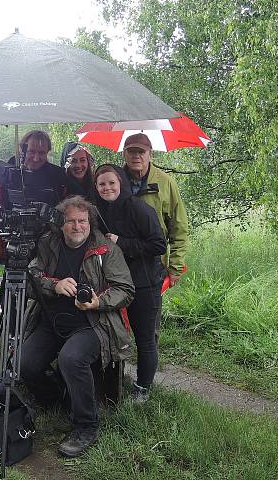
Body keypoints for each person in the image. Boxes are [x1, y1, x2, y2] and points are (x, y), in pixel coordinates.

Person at [21, 195, 135, 458]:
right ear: (61, 223)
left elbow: (126, 290)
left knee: (70, 359)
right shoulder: (48, 244)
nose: (76, 226)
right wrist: (54, 285)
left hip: (93, 324)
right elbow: (31, 278)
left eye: (82, 221)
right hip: (52, 322)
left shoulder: (106, 249)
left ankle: (86, 425)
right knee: (26, 362)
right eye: (70, 221)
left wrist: (98, 302)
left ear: (90, 222)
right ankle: (57, 399)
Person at [94, 164, 166, 403]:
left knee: (144, 338)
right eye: (102, 184)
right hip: (115, 285)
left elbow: (158, 245)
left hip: (144, 284)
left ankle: (143, 387)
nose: (107, 188)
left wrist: (121, 242)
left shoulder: (138, 208)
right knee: (114, 335)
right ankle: (113, 383)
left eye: (111, 183)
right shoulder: (99, 211)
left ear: (121, 183)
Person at [121, 133, 189, 287]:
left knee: (149, 309)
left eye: (141, 152)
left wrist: (175, 267)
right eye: (131, 152)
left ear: (150, 154)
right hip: (120, 262)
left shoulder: (166, 183)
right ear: (124, 154)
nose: (136, 156)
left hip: (153, 262)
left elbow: (179, 227)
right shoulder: (115, 180)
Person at [7, 130, 68, 206]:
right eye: (31, 151)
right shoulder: (8, 169)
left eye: (41, 153)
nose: (36, 158)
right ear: (23, 149)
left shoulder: (57, 175)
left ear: (47, 152)